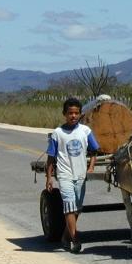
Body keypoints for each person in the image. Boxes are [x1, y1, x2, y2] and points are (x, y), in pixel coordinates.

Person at [46, 97, 100, 253]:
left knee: (76, 208)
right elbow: (51, 157)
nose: (73, 116)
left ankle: (65, 236)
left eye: (76, 113)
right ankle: (75, 239)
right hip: (64, 175)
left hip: (80, 175)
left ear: (80, 114)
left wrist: (91, 166)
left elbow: (94, 150)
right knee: (69, 207)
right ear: (64, 114)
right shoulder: (57, 133)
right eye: (70, 113)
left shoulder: (85, 131)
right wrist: (49, 178)